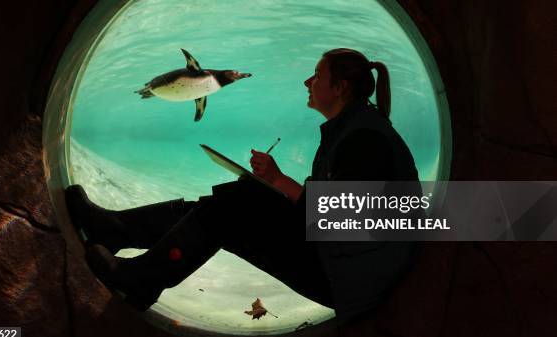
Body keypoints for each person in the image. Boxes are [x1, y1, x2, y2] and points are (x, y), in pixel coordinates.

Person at [65, 48, 421, 323]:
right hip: (346, 264)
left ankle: (142, 278)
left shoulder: (363, 140)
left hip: (350, 280)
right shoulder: (355, 128)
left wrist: (277, 186)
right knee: (235, 202)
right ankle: (117, 230)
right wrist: (275, 181)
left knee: (236, 207)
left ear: (340, 88)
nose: (307, 83)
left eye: (316, 76)